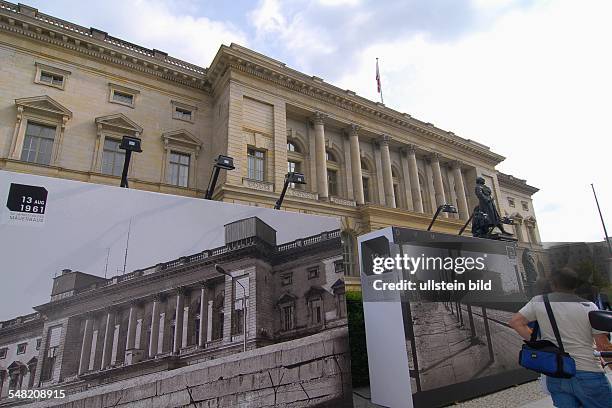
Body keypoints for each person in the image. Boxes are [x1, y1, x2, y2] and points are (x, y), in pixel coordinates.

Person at [509, 267, 612, 408]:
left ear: (553, 284)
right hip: (588, 372)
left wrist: (541, 344)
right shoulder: (588, 306)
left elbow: (515, 322)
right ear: (575, 285)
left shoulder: (539, 302)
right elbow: (602, 345)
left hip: (556, 373)